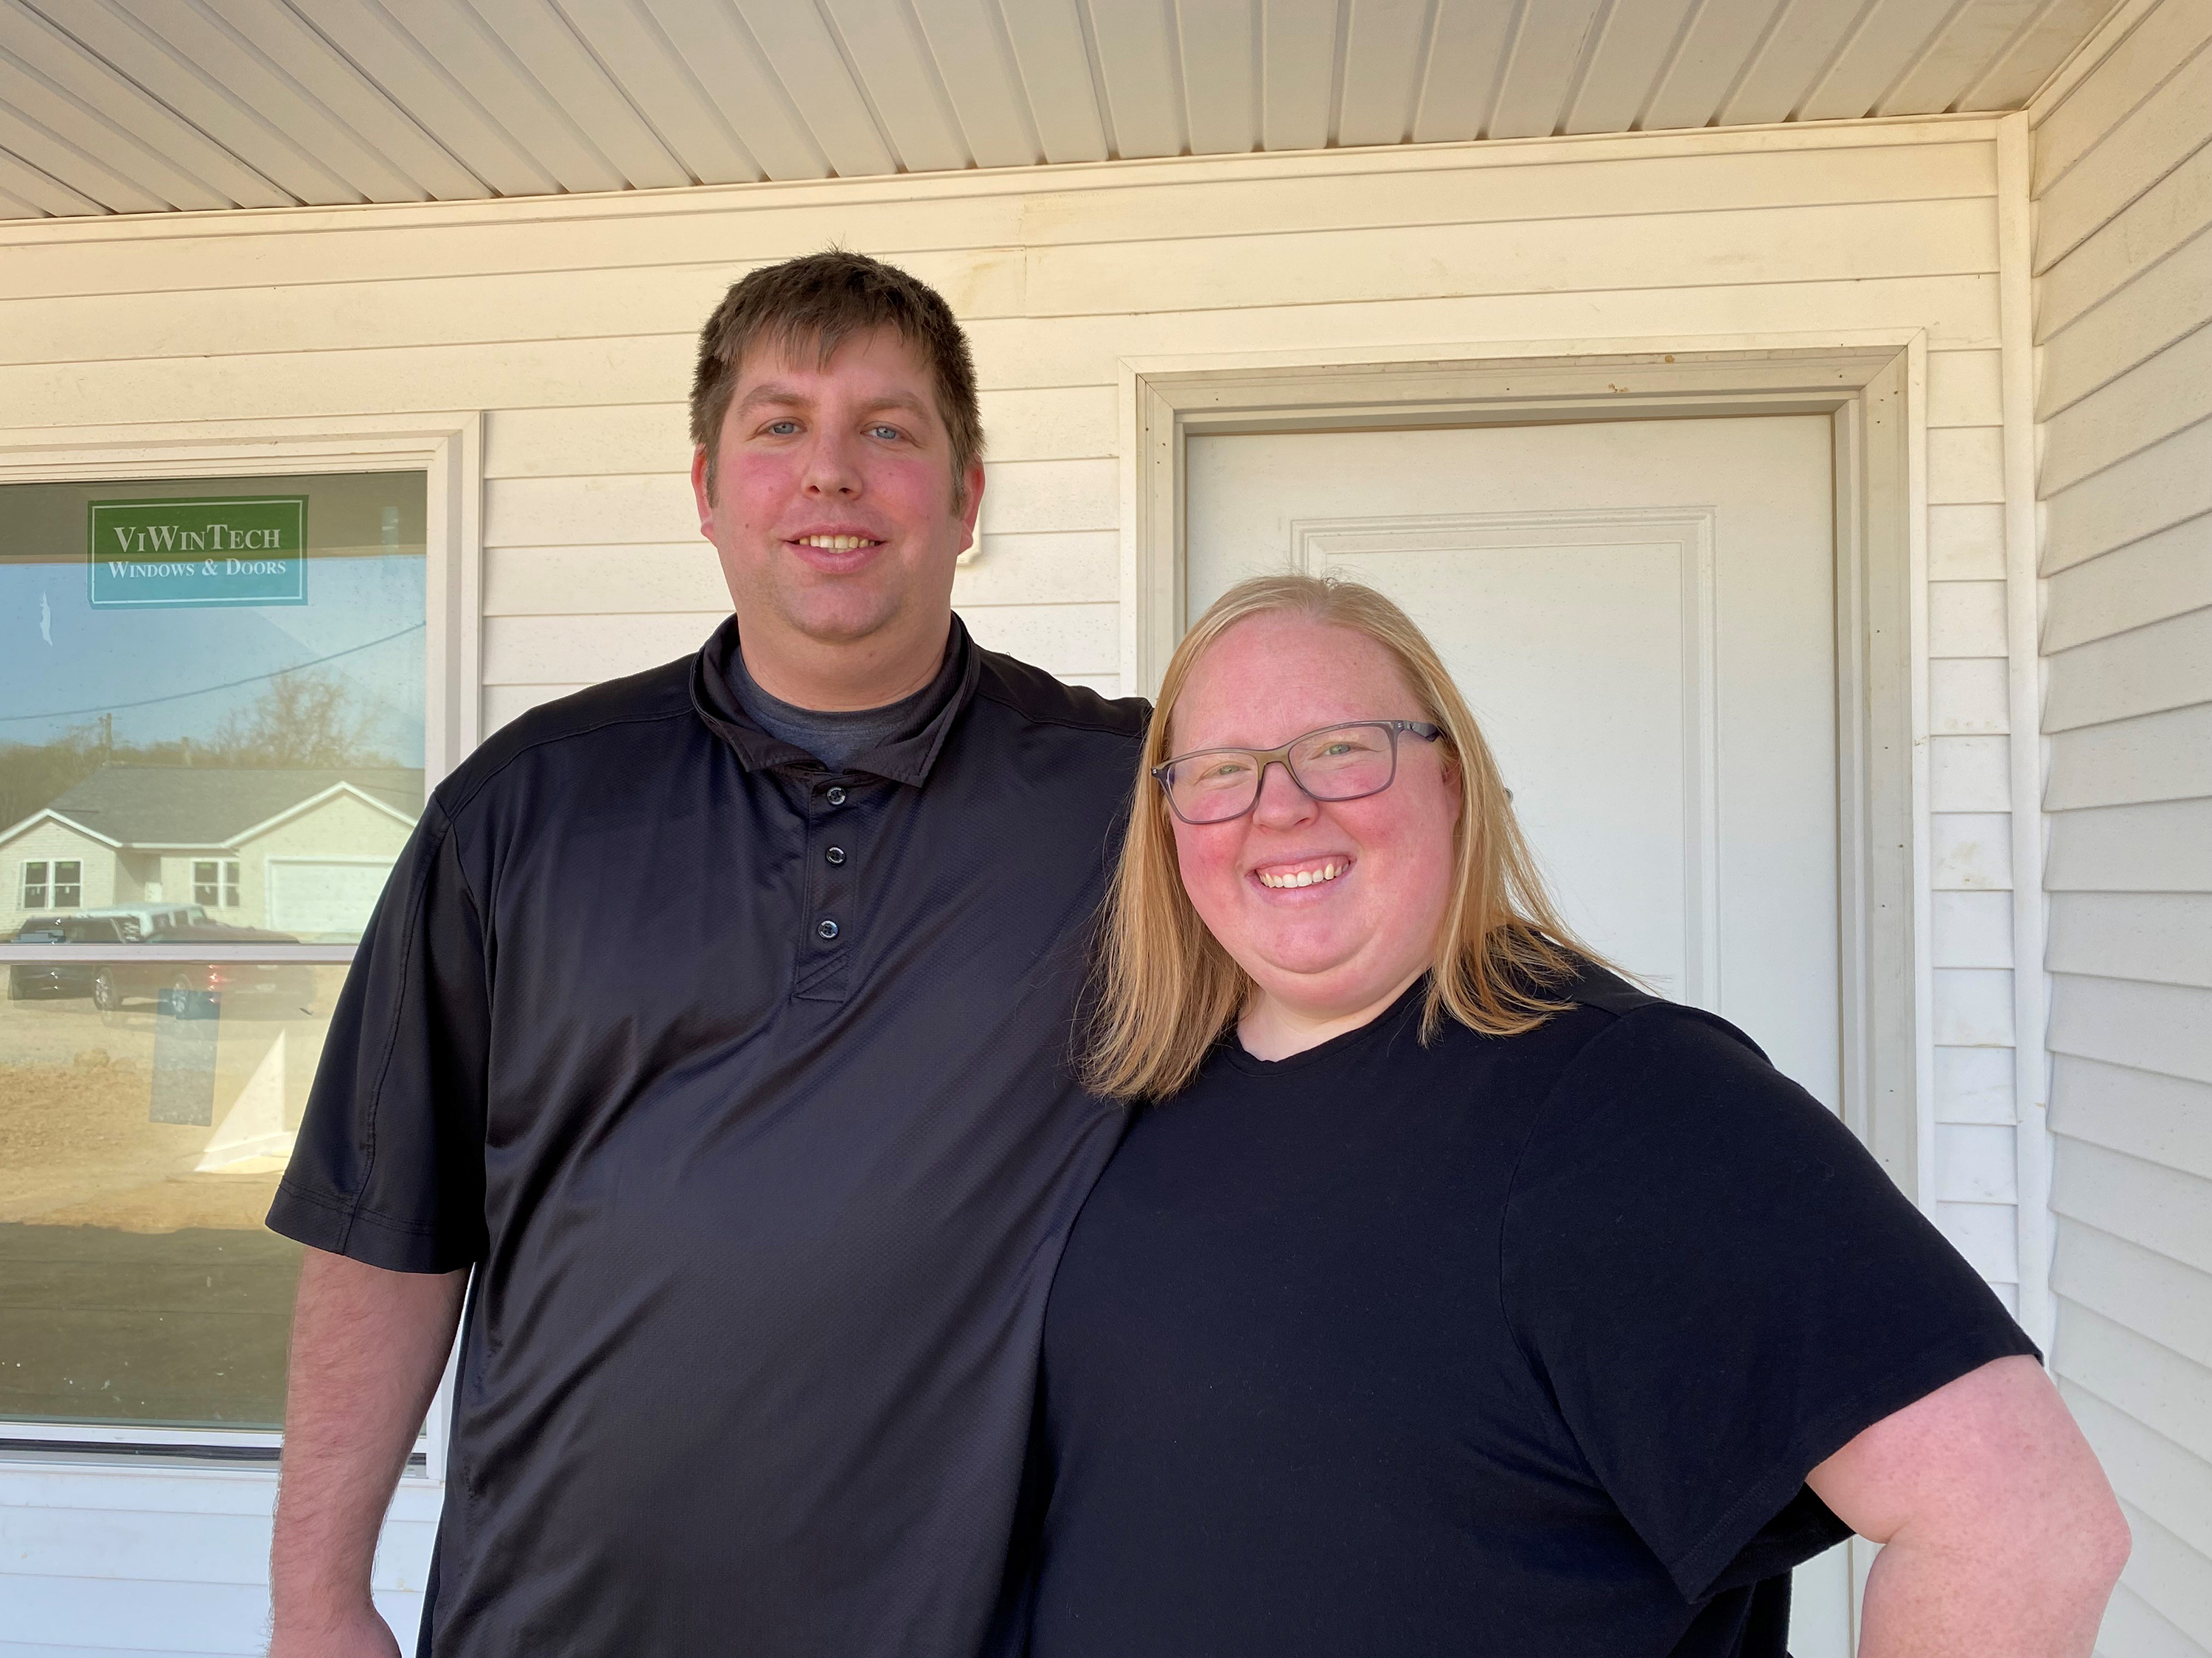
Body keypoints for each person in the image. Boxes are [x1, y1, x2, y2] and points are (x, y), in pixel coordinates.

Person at [262, 252, 1147, 1657]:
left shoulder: (1131, 804)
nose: (832, 474)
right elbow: (388, 1230)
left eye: (891, 428)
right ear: (706, 491)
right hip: (550, 1621)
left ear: (968, 497)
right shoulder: (521, 809)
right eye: (779, 424)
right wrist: (316, 1597)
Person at [1019, 574, 2129, 1658]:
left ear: (1451, 780)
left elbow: (2023, 1529)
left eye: (1342, 749)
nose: (1279, 804)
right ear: (1169, 823)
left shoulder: (1628, 1100)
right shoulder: (1142, 1093)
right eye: (1218, 770)